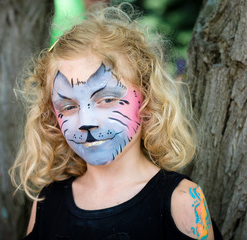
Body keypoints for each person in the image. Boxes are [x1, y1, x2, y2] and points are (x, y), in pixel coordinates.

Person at [11, 3, 223, 240]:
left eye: (107, 99)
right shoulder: (46, 204)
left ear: (147, 100)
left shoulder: (183, 200)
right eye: (69, 106)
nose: (86, 121)